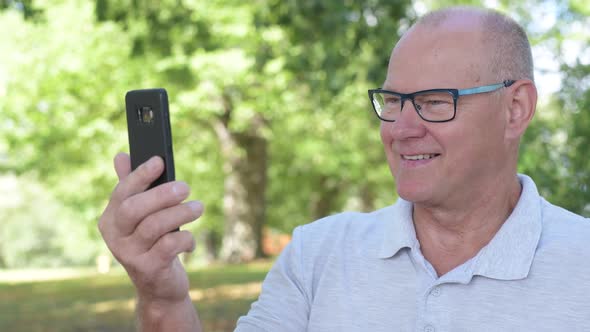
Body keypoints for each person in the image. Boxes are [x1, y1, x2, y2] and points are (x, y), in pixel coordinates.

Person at [98, 6, 590, 332]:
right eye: (394, 101)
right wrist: (161, 299)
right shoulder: (317, 254)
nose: (401, 127)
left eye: (435, 102)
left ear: (516, 109)